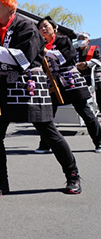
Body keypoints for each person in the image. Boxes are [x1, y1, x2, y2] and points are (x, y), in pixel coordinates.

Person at [0, 0, 81, 196]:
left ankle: (72, 175)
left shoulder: (27, 26)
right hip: (2, 86)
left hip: (29, 83)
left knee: (48, 132)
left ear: (10, 7)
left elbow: (24, 59)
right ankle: (0, 181)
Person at [34, 17, 101, 153]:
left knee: (85, 112)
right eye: (40, 27)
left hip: (70, 80)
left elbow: (66, 58)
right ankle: (45, 144)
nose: (43, 29)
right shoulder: (38, 45)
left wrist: (47, 52)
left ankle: (99, 141)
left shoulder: (64, 41)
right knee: (46, 115)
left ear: (54, 28)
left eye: (46, 26)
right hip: (52, 83)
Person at [75, 32, 101, 112]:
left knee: (99, 91)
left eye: (83, 39)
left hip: (93, 76)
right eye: (79, 39)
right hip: (80, 77)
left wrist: (87, 64)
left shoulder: (94, 49)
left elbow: (99, 60)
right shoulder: (74, 51)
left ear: (88, 41)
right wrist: (77, 65)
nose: (81, 41)